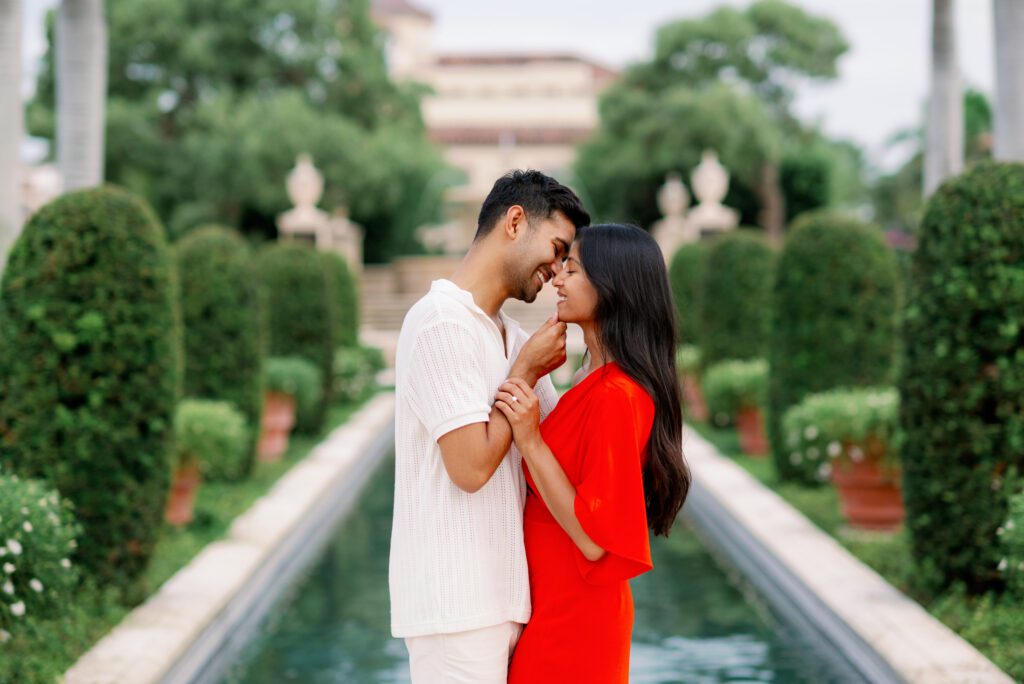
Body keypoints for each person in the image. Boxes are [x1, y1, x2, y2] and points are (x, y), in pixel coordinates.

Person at [389, 170, 591, 684]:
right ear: (516, 221)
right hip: (455, 612)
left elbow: (559, 448)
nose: (558, 267)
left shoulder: (510, 333)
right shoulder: (440, 322)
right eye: (557, 247)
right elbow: (471, 466)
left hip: (508, 602)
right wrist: (524, 370)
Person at [495, 223, 692, 683]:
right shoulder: (591, 381)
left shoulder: (616, 395)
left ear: (612, 287)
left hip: (577, 618)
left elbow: (594, 540)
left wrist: (530, 439)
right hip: (553, 605)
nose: (558, 279)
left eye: (574, 269)